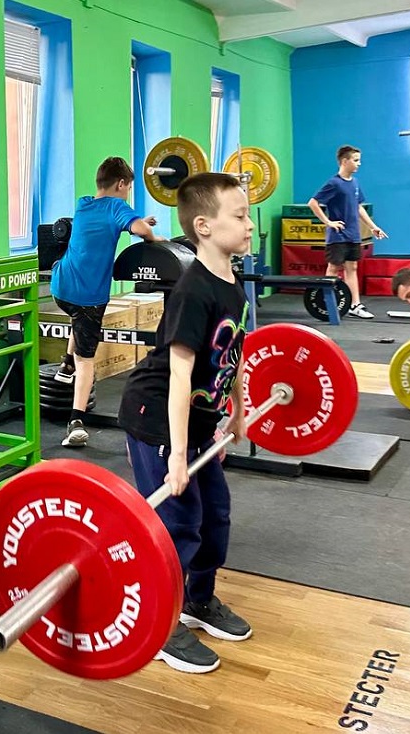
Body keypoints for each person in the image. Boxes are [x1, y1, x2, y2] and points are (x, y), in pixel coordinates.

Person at [117, 172, 254, 674]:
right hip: (158, 419)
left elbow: (233, 352)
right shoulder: (193, 291)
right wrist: (177, 455)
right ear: (204, 226)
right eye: (239, 216)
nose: (249, 225)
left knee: (215, 514)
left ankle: (199, 599)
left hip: (198, 423)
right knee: (177, 522)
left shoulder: (234, 284)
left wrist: (236, 410)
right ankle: (160, 619)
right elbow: (179, 374)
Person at [50, 157, 163, 448]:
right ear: (121, 184)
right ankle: (75, 422)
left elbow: (110, 223)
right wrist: (153, 236)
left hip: (60, 287)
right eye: (129, 188)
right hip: (89, 297)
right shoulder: (117, 207)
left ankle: (65, 365)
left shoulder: (84, 203)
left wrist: (137, 221)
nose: (128, 193)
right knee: (87, 361)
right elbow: (140, 231)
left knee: (78, 321)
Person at [307, 145, 387, 319]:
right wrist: (328, 222)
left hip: (353, 234)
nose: (359, 163)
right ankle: (328, 304)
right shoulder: (334, 183)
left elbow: (358, 207)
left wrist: (373, 226)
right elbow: (313, 203)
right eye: (356, 160)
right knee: (333, 268)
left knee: (352, 267)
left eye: (359, 160)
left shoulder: (355, 183)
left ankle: (355, 305)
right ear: (345, 161)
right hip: (337, 236)